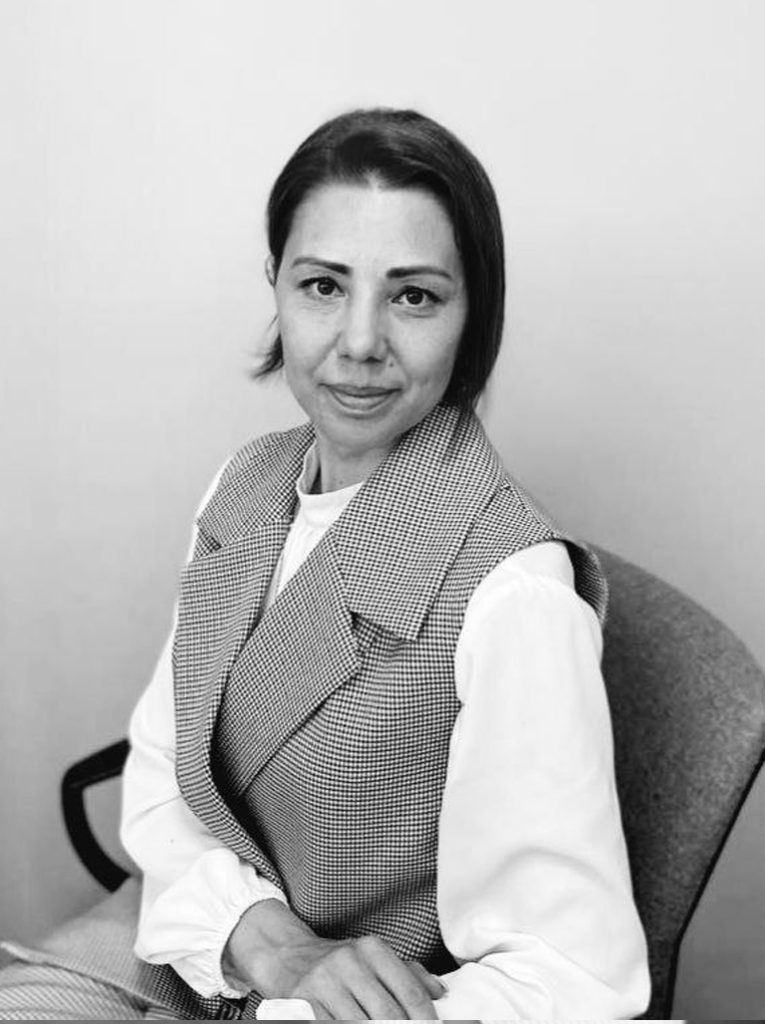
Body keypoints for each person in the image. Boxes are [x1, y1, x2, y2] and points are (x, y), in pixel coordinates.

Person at [0, 107, 650, 1020]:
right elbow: (163, 772)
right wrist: (259, 940)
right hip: (189, 934)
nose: (359, 341)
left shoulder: (515, 594)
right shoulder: (245, 483)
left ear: (473, 314)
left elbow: (571, 977)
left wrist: (296, 994)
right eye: (321, 286)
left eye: (414, 296)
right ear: (275, 284)